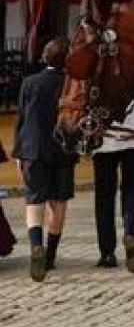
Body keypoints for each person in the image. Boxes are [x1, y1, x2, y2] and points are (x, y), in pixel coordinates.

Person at [14, 38, 76, 281]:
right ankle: (50, 255)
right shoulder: (69, 85)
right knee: (58, 203)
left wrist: (19, 152)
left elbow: (22, 119)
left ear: (44, 57)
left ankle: (35, 246)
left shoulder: (29, 83)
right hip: (62, 149)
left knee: (34, 202)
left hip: (33, 148)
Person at [92, 88, 134, 272]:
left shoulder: (101, 66)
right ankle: (130, 232)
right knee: (133, 189)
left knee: (104, 195)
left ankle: (107, 252)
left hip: (105, 138)